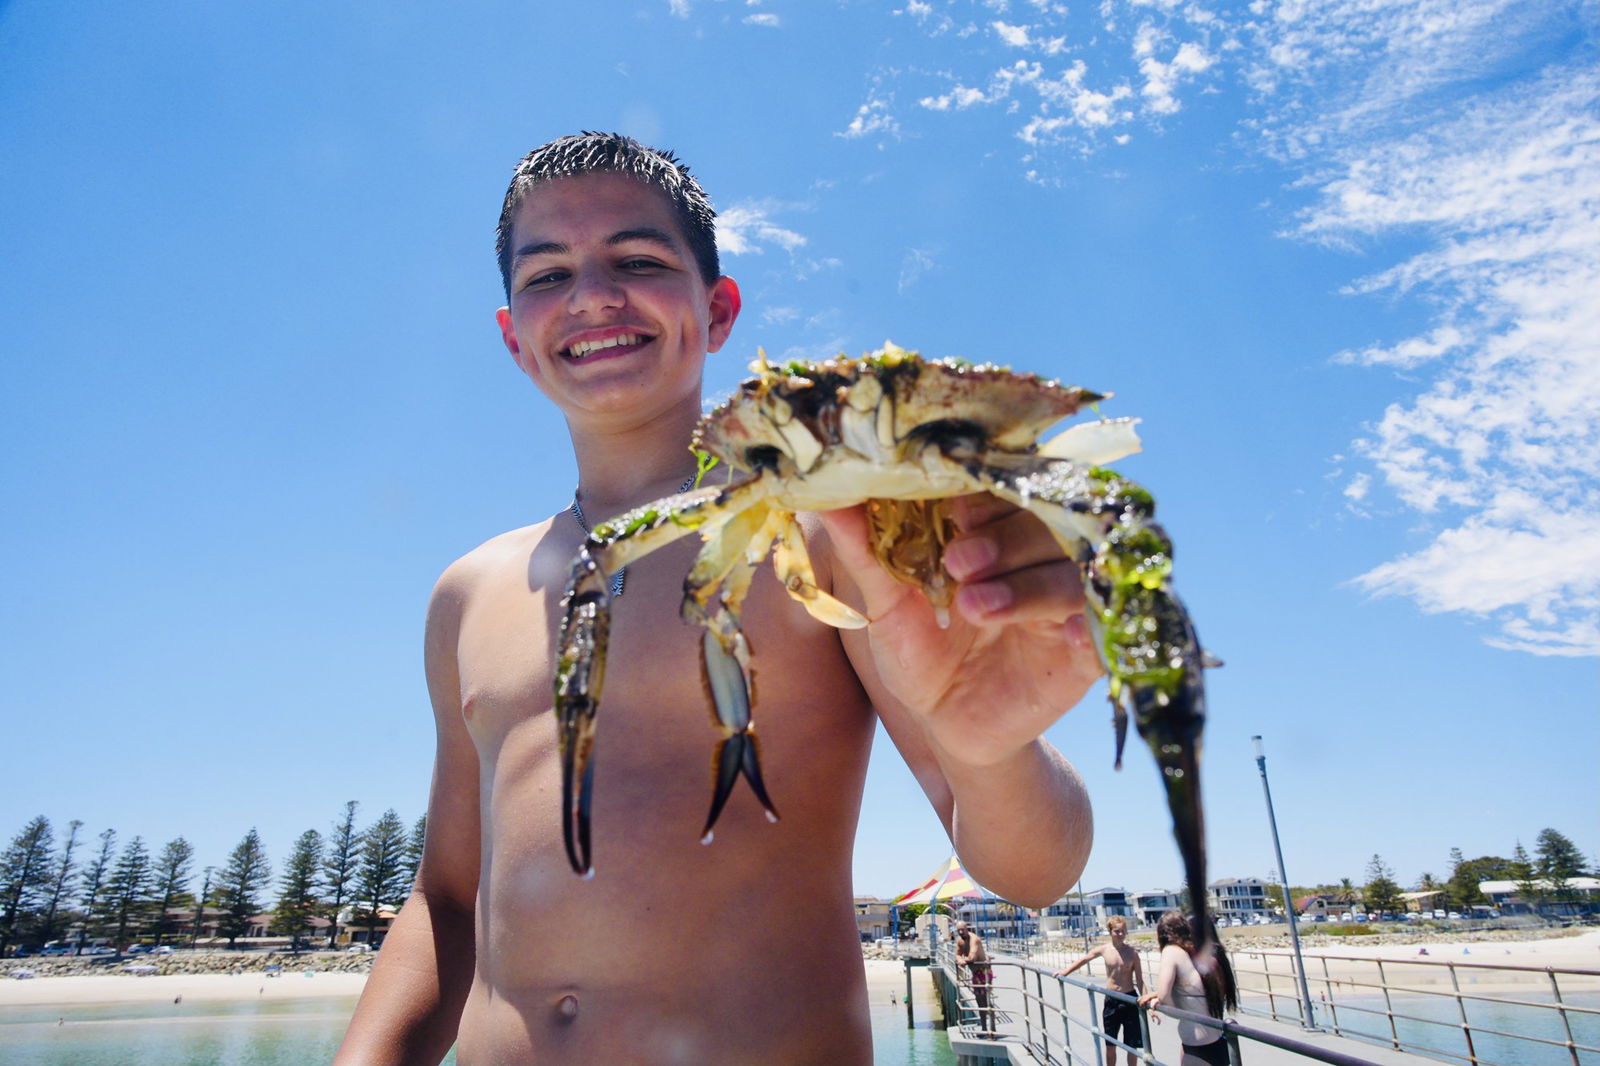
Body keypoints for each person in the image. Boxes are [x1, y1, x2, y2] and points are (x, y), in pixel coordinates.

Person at [333, 131, 1103, 1066]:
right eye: (547, 274)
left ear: (719, 307)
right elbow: (448, 899)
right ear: (512, 338)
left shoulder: (826, 534)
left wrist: (994, 753)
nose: (591, 296)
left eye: (638, 259)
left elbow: (1034, 868)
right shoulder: (469, 591)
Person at [1139, 912, 1240, 1066]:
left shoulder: (1171, 951)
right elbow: (1194, 990)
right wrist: (1156, 994)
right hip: (1218, 1041)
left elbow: (1166, 996)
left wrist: (1162, 1002)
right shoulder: (1213, 959)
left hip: (1197, 1045)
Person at [1053, 915, 1145, 1065]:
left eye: (1123, 931)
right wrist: (1064, 972)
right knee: (1110, 1045)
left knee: (1132, 1046)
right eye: (1117, 931)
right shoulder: (1104, 950)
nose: (1120, 934)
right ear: (1110, 932)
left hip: (1129, 1000)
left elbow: (1140, 981)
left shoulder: (1132, 953)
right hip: (1111, 1000)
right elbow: (1084, 960)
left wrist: (1147, 1001)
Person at [954, 921, 996, 1035]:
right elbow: (957, 954)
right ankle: (983, 1027)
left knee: (985, 998)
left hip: (984, 971)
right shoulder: (960, 941)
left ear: (967, 928)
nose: (961, 932)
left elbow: (972, 956)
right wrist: (959, 959)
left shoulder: (974, 939)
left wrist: (963, 960)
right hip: (975, 973)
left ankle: (992, 1026)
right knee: (979, 999)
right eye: (959, 930)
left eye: (963, 929)